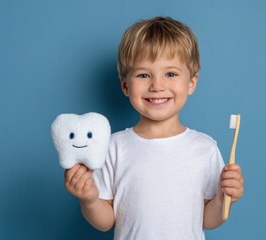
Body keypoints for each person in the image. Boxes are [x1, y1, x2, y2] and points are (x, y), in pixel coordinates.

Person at [64, 16, 244, 240]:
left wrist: (223, 198)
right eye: (143, 75)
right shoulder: (113, 147)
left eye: (170, 74)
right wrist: (89, 199)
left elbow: (208, 219)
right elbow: (105, 222)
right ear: (125, 85)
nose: (157, 86)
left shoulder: (205, 148)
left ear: (191, 82)